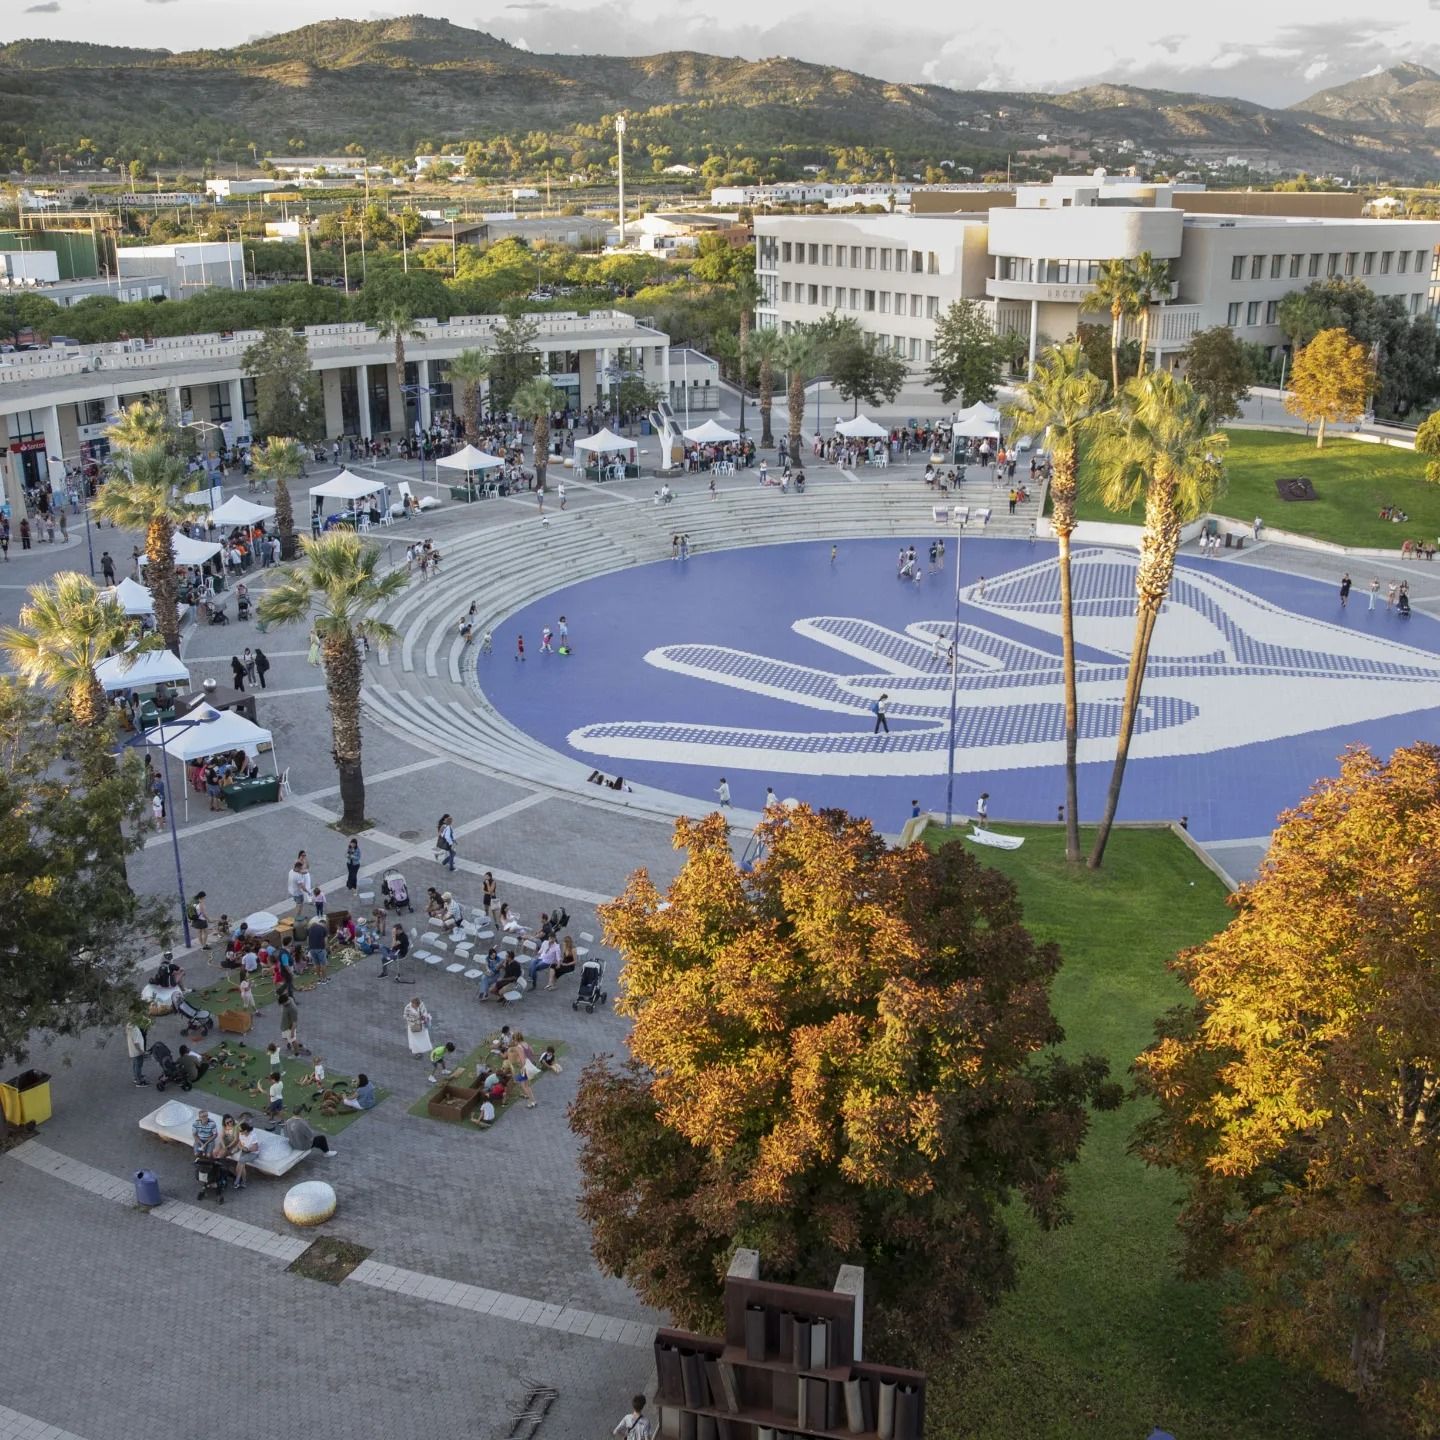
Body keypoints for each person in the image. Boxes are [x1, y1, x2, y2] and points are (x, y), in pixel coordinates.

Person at [234, 1120, 262, 1187]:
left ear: (245, 1131)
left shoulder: (252, 1135)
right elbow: (239, 1143)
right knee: (240, 1166)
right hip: (244, 1151)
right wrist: (242, 1147)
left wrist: (247, 1149)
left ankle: (237, 1180)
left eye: (241, 1130)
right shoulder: (241, 1134)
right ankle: (243, 1182)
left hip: (253, 1153)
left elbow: (256, 1148)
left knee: (241, 1161)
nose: (239, 1132)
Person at [125, 1017, 149, 1086]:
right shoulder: (134, 1029)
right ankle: (139, 1081)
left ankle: (136, 1077)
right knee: (138, 1065)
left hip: (133, 1050)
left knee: (135, 1064)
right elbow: (136, 1043)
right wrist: (141, 1051)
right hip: (137, 1051)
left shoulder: (129, 1025)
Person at [307, 914, 330, 985]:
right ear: (324, 924)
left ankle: (319, 979)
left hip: (312, 949)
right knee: (323, 964)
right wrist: (327, 948)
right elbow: (325, 940)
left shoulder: (310, 928)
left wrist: (309, 947)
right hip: (320, 948)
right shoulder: (323, 929)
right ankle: (324, 979)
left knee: (316, 964)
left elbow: (308, 939)